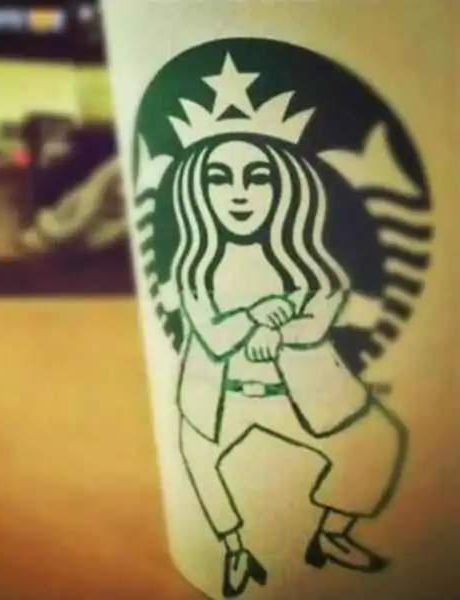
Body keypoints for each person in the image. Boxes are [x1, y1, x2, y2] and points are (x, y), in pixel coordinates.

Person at [166, 134, 407, 598]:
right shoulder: (194, 267)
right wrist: (258, 315)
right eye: (220, 179)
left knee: (379, 439)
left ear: (284, 190)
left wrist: (277, 331)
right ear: (200, 192)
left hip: (295, 396)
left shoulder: (310, 263)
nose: (239, 193)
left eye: (257, 179)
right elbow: (214, 337)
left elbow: (319, 315)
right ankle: (235, 550)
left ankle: (331, 535)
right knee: (196, 459)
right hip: (220, 399)